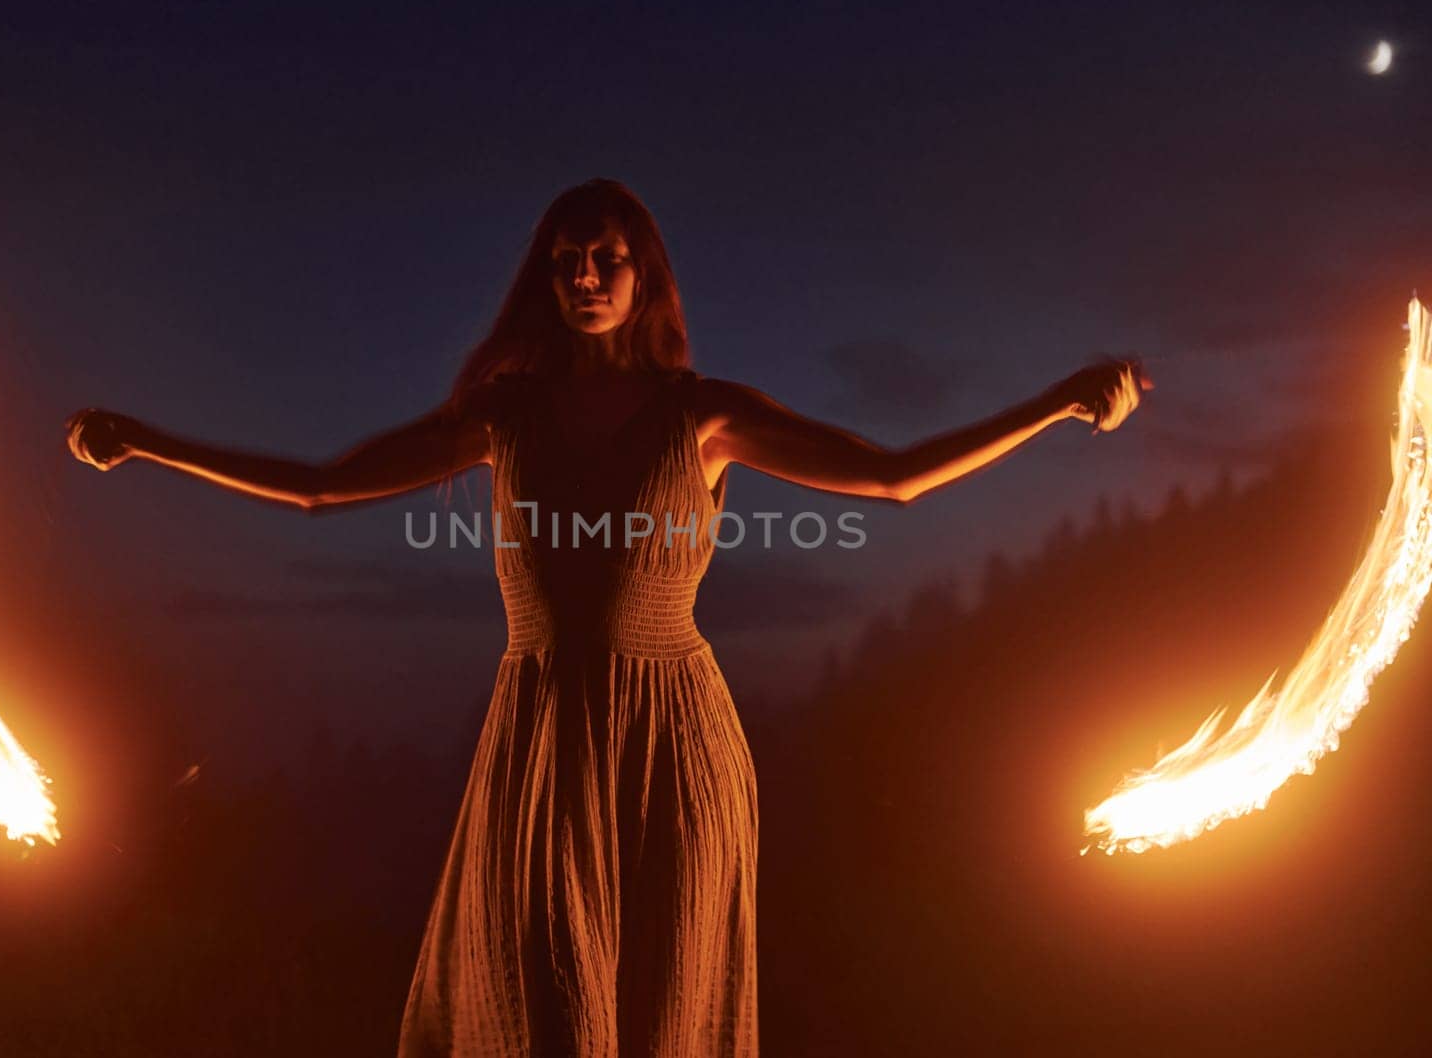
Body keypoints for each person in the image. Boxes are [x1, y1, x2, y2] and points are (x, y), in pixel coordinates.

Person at [65, 178, 1149, 1056]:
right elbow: (317, 486)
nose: (584, 276)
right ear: (543, 277)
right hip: (540, 742)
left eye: (606, 258)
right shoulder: (505, 414)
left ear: (644, 273)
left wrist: (1056, 400)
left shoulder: (705, 415)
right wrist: (152, 440)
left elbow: (896, 478)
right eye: (565, 260)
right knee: (544, 1007)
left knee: (660, 1007)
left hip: (673, 742)